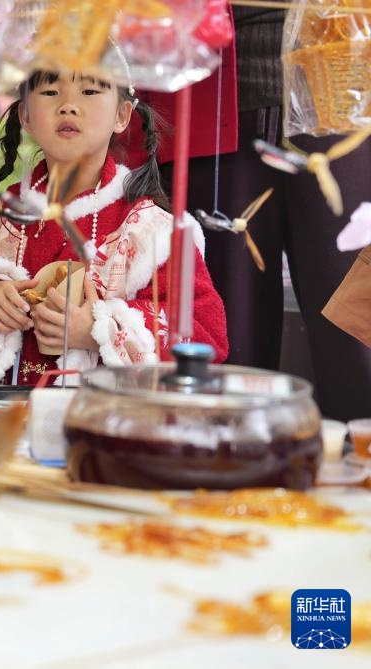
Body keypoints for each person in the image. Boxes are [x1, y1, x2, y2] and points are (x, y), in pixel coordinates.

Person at [0, 69, 228, 386]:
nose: (68, 105)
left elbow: (206, 334)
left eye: (89, 92)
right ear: (25, 115)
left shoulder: (153, 230)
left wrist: (101, 329)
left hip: (100, 420)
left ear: (122, 116)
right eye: (50, 92)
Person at [153, 8, 371, 421]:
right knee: (225, 333)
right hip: (217, 92)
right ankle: (224, 464)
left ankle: (361, 461)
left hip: (347, 87)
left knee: (357, 322)